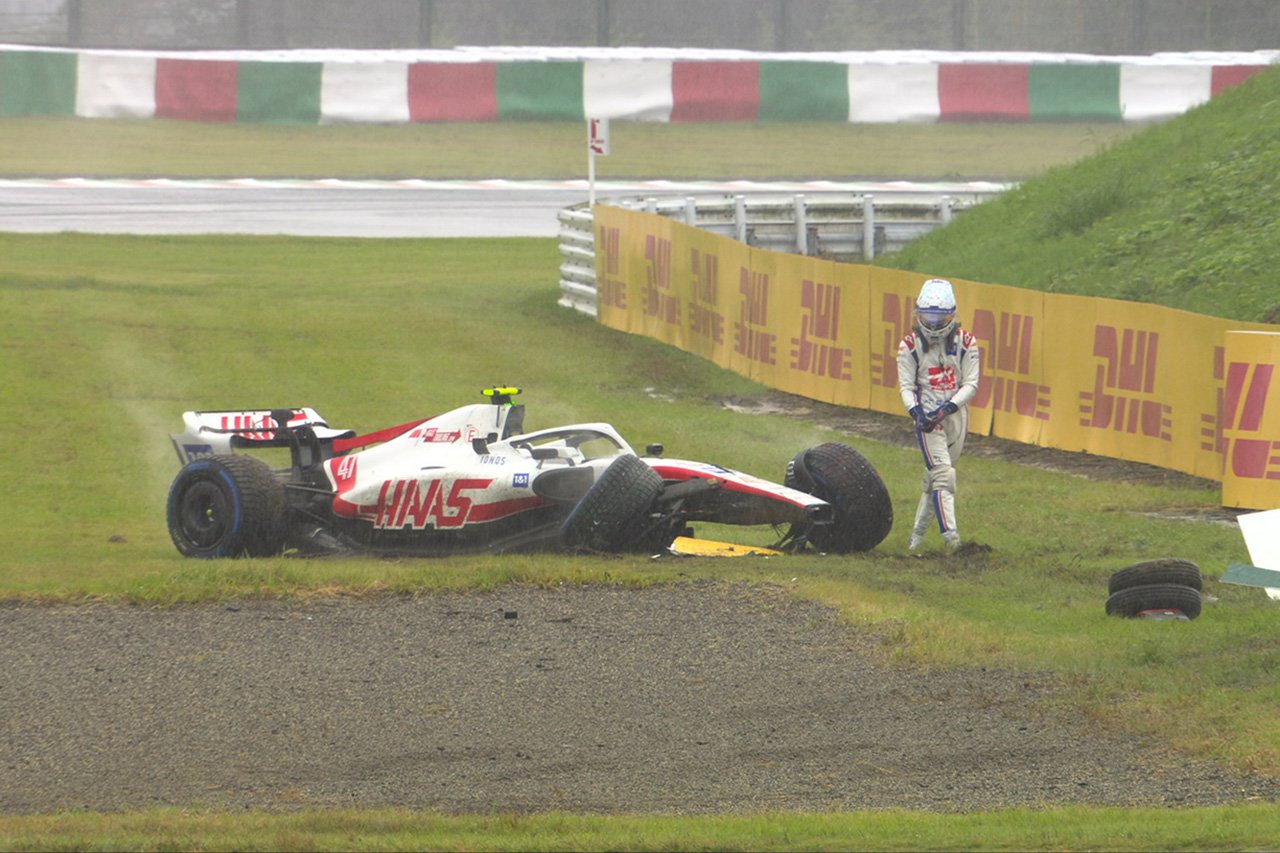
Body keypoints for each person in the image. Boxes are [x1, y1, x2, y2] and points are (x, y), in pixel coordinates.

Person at [896, 278, 981, 552]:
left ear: (951, 315)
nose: (932, 324)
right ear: (918, 313)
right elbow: (906, 386)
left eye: (938, 317)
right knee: (944, 475)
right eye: (927, 316)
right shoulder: (908, 346)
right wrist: (917, 412)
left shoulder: (967, 342)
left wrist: (949, 408)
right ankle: (953, 540)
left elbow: (971, 383)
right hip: (928, 420)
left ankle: (915, 539)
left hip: (956, 415)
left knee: (933, 479)